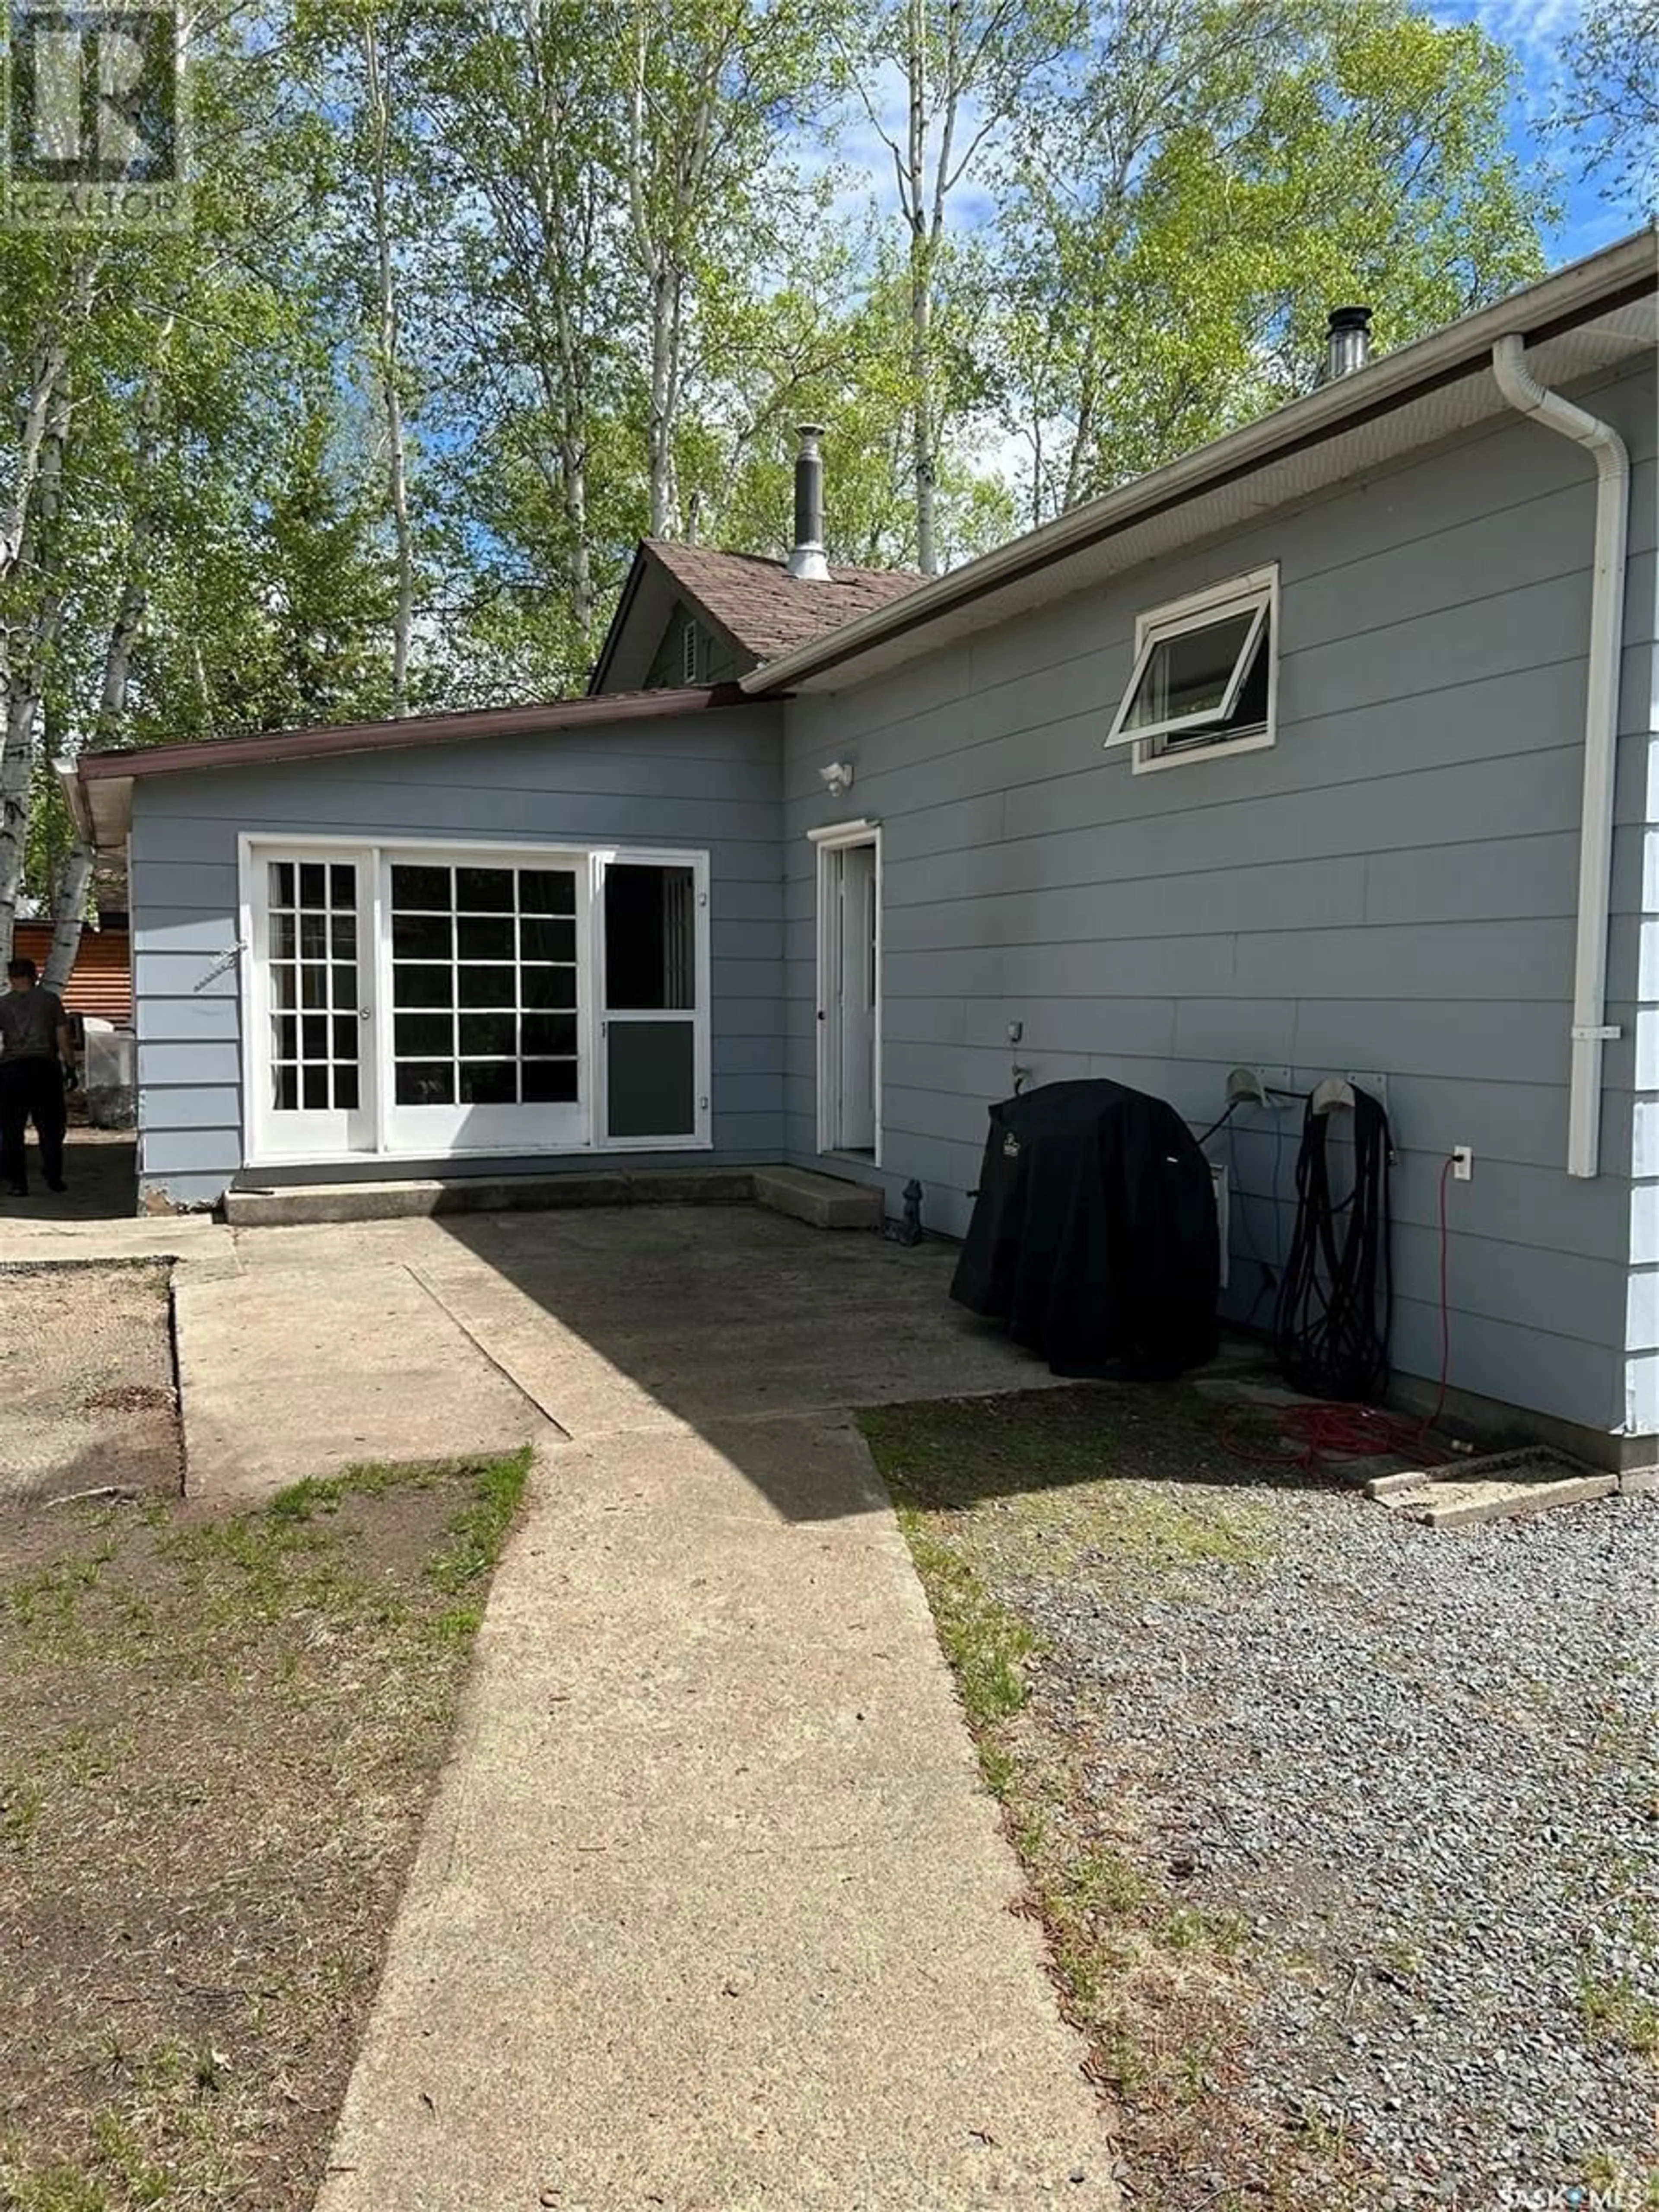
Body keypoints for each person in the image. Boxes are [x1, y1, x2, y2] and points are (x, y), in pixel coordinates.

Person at [0, 957, 74, 1197]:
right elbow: (63, 1038)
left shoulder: (2, 1005)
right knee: (51, 1127)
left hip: (12, 1070)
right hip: (45, 1068)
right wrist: (71, 1068)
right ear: (35, 976)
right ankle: (54, 1176)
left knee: (12, 1129)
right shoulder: (50, 1001)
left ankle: (18, 1183)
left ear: (11, 978)